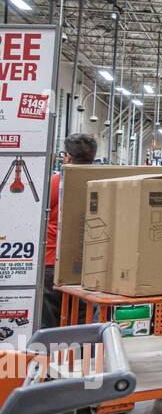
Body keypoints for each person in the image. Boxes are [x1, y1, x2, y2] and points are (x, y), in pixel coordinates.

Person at [43, 133, 97, 330]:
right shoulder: (102, 183)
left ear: (67, 157)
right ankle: (82, 359)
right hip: (89, 264)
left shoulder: (51, 184)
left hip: (52, 263)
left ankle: (48, 359)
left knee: (48, 324)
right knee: (84, 322)